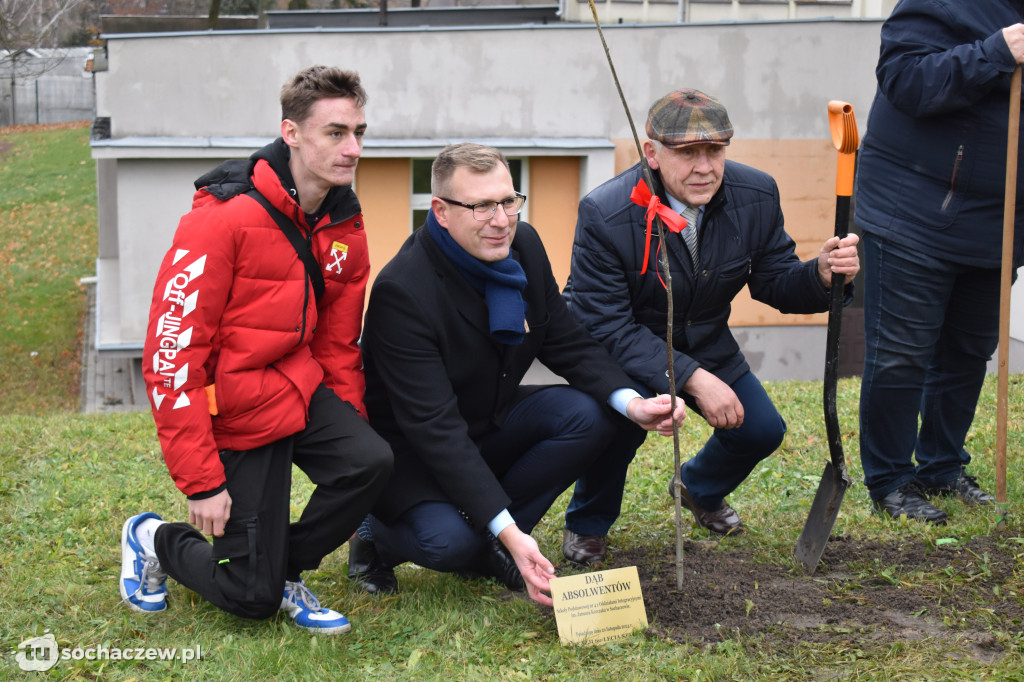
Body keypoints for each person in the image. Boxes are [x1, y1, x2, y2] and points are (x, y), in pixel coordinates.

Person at [348, 143, 686, 606]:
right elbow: (436, 431)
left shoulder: (521, 244)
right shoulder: (402, 293)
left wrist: (633, 402)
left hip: (488, 421)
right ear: (441, 212)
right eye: (482, 205)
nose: (502, 219)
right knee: (450, 545)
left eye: (508, 201)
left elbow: (564, 339)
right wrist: (511, 531)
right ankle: (374, 536)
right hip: (416, 453)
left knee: (591, 417)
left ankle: (493, 538)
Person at [119, 65, 393, 635]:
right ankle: (153, 538)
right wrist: (201, 481)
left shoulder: (344, 218)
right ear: (291, 133)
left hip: (295, 385)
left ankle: (283, 566)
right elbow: (171, 355)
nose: (353, 148)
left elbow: (338, 340)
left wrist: (348, 423)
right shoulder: (223, 219)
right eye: (336, 132)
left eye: (360, 132)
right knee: (250, 599)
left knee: (370, 462)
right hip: (236, 407)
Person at [564, 89, 861, 536]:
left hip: (703, 337)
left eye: (715, 150)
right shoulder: (605, 212)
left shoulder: (755, 193)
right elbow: (604, 323)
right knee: (616, 430)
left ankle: (697, 488)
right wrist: (694, 379)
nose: (704, 167)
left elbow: (774, 280)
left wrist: (820, 276)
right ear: (653, 153)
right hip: (622, 346)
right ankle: (588, 525)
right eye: (687, 153)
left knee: (759, 429)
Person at [855, 1, 1024, 523]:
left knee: (968, 350)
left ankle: (941, 467)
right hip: (914, 209)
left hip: (1000, 222)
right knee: (901, 353)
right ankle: (890, 480)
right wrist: (996, 52)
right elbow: (906, 81)